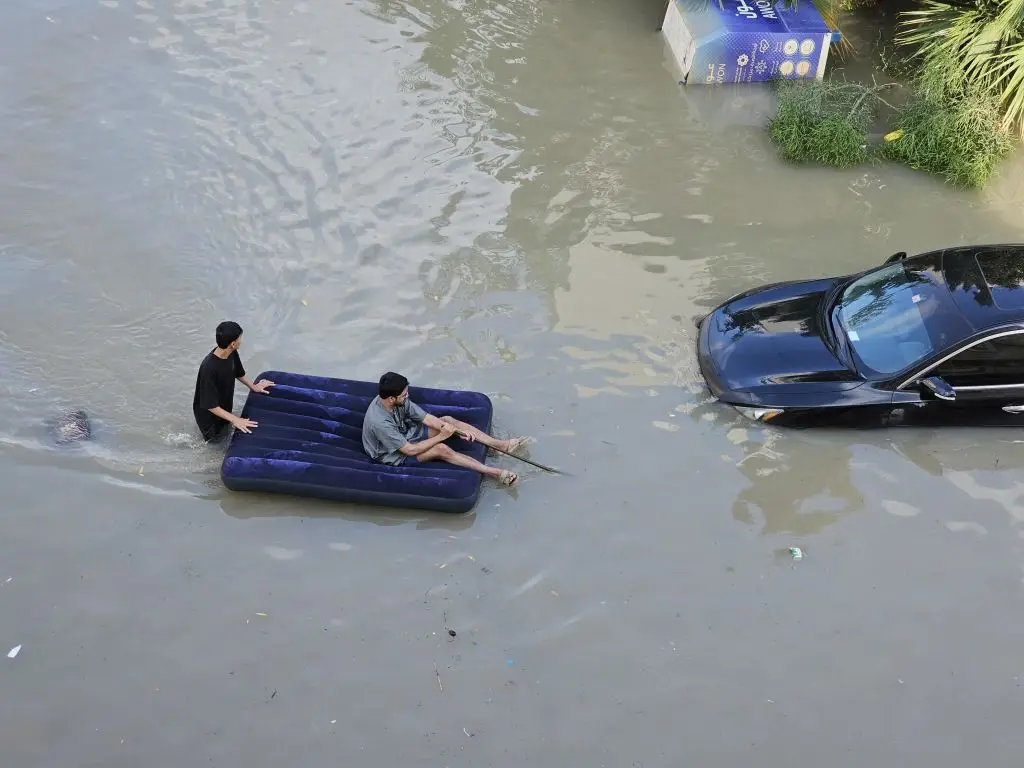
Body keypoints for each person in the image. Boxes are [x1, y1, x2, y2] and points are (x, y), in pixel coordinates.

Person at [361, 371, 529, 486]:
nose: (408, 396)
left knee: (448, 420)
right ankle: (495, 473)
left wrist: (459, 432)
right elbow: (409, 450)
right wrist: (442, 436)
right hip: (393, 454)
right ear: (391, 399)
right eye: (404, 395)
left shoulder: (396, 399)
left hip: (405, 431)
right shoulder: (380, 422)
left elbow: (426, 418)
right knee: (441, 448)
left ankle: (501, 446)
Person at [192, 321, 275, 441]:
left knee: (227, 430)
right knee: (215, 443)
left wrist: (254, 387)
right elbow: (210, 405)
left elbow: (238, 373)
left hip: (224, 406)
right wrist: (235, 419)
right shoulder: (209, 368)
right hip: (209, 418)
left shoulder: (231, 353)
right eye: (240, 338)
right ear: (233, 343)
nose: (241, 341)